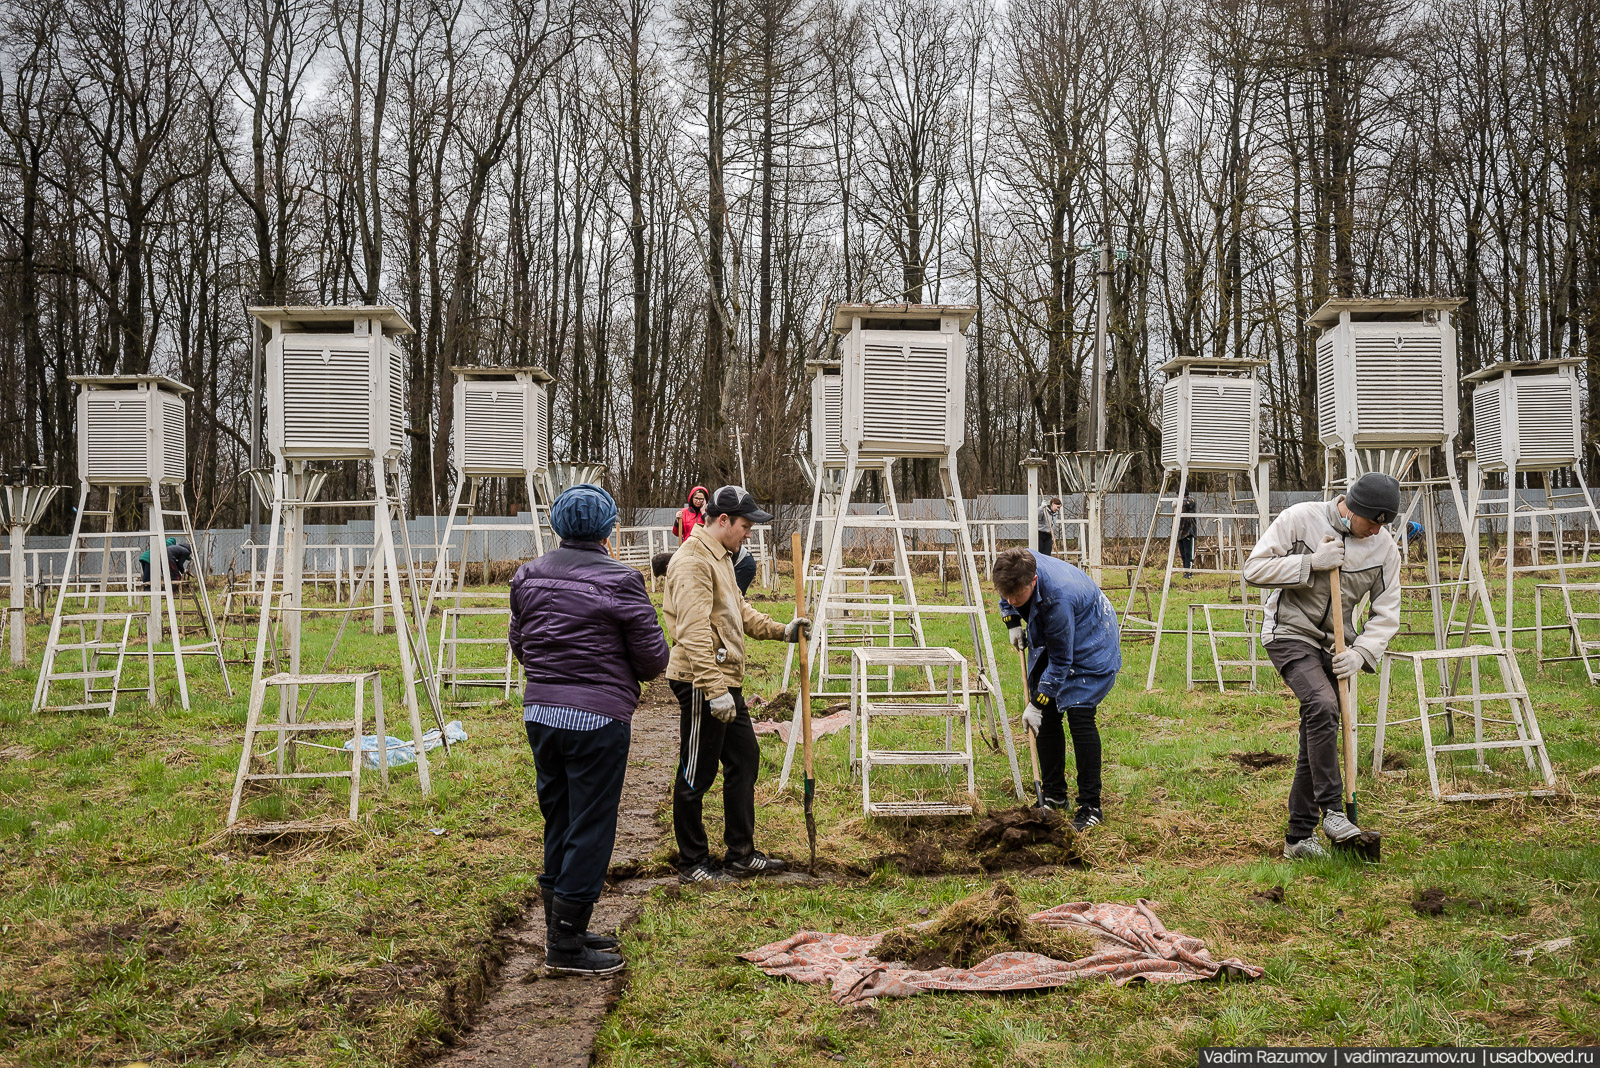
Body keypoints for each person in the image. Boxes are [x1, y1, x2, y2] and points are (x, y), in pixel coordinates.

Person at [509, 483, 670, 975]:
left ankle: (563, 926)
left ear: (557, 525)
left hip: (541, 713)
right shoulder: (622, 580)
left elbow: (521, 645)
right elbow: (652, 659)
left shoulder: (527, 575)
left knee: (558, 817)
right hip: (596, 718)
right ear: (609, 529)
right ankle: (566, 946)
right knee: (591, 825)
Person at [1243, 472, 1402, 861]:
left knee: (1317, 732)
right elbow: (1254, 569)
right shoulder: (1301, 518)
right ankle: (1332, 810)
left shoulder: (1384, 549)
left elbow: (1386, 613)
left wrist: (1362, 653)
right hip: (1289, 633)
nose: (1376, 531)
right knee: (1323, 706)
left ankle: (1298, 838)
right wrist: (1310, 563)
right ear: (1352, 508)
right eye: (1371, 522)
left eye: (1384, 524)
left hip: (1337, 645)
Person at [664, 484, 808, 884]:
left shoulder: (722, 557)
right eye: (745, 525)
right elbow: (693, 632)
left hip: (725, 681)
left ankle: (740, 854)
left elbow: (737, 609)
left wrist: (783, 631)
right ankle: (693, 862)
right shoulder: (692, 561)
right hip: (700, 681)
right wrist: (714, 691)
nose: (749, 533)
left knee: (744, 760)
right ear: (723, 520)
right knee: (697, 772)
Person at [993, 546, 1122, 831]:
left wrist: (1036, 704)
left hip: (1092, 634)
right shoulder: (1014, 565)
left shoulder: (1057, 599)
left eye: (1018, 597)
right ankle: (1054, 795)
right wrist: (1012, 618)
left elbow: (1062, 660)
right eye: (1006, 596)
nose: (1012, 600)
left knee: (1079, 714)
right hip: (1059, 625)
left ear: (1033, 582)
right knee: (1048, 715)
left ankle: (1090, 805)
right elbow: (1009, 595)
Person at [1177, 495, 1198, 577]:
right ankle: (1186, 572)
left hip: (1189, 531)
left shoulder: (1190, 500)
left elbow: (1188, 504)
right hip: (1180, 533)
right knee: (1183, 554)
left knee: (1188, 554)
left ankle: (1189, 572)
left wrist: (1179, 501)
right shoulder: (1180, 504)